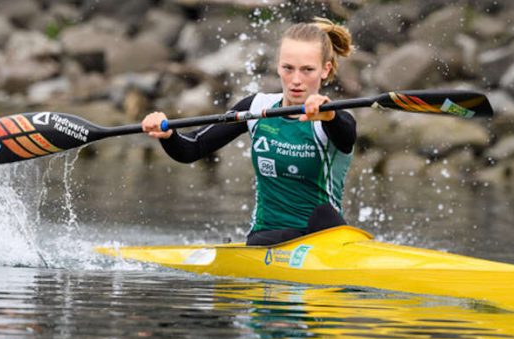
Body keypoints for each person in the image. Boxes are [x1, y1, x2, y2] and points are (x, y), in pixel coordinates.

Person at [141, 18, 356, 246]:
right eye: (288, 68)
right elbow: (192, 148)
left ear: (325, 70)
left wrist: (329, 114)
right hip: (268, 238)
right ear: (277, 66)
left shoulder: (334, 118)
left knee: (323, 214)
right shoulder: (256, 108)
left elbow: (346, 134)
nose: (296, 80)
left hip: (325, 238)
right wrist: (168, 135)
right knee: (285, 234)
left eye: (307, 70)